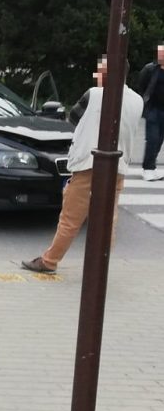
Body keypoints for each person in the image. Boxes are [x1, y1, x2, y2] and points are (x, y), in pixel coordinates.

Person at [22, 56, 143, 274]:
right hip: (118, 166)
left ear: (108, 72)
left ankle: (49, 261)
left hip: (90, 163)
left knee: (70, 218)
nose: (97, 74)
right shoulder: (137, 100)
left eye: (101, 70)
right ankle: (100, 265)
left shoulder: (94, 94)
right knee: (107, 219)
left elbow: (73, 118)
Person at [137, 43, 164, 181]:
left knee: (159, 140)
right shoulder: (150, 69)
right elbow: (141, 86)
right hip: (152, 109)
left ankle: (152, 167)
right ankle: (147, 169)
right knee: (152, 139)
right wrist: (144, 103)